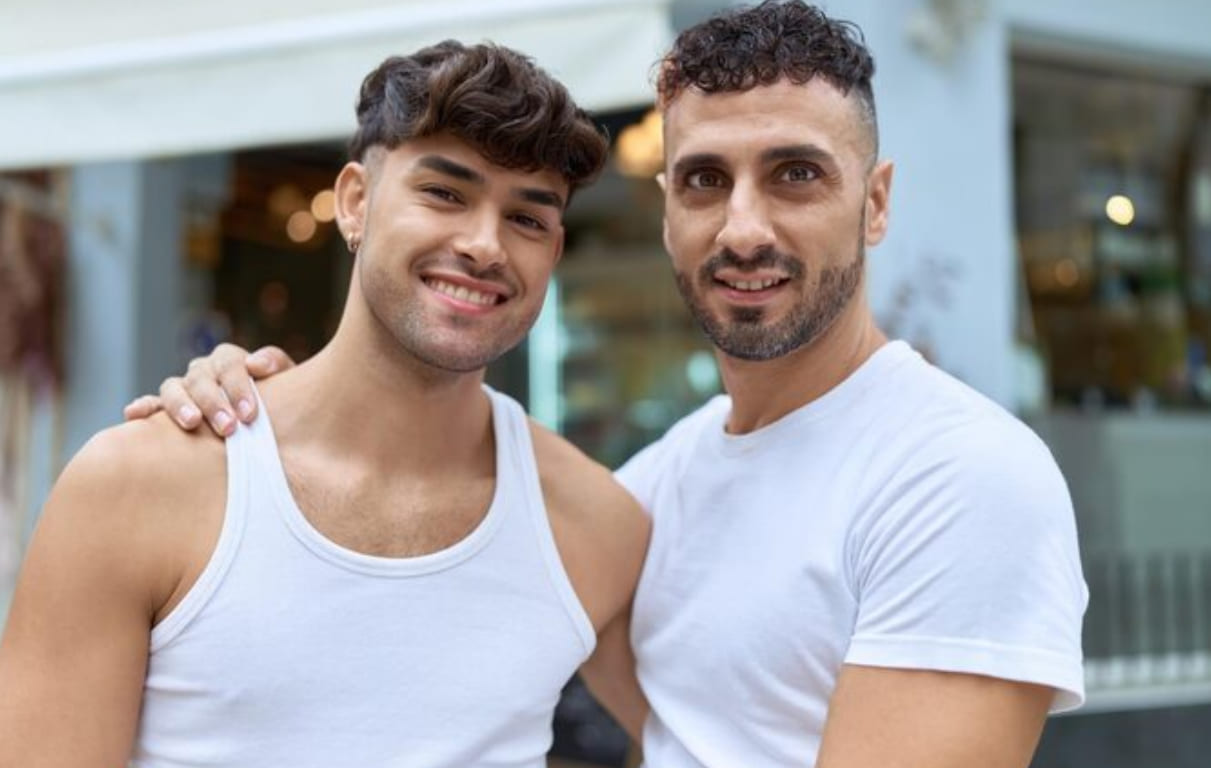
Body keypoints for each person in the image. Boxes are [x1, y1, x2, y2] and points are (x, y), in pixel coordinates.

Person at [128, 2, 1089, 766]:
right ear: (667, 208)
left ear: (874, 204)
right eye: (704, 179)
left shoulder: (958, 476)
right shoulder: (646, 494)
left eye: (795, 174)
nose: (743, 228)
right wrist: (263, 407)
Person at [0, 42, 651, 767]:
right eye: (444, 193)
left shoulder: (596, 524)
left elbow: (714, 735)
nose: (483, 245)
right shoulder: (139, 485)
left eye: (527, 218)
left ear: (553, 253)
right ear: (355, 202)